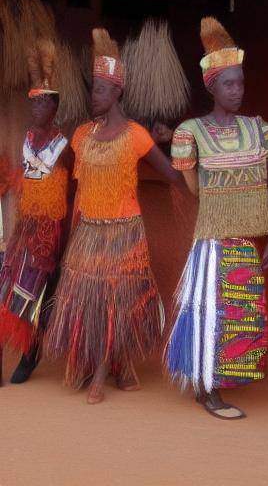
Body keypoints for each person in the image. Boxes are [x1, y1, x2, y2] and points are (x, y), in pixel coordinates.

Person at [45, 28, 181, 404]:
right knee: (84, 299)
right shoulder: (81, 136)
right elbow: (72, 180)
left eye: (100, 90)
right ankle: (117, 368)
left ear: (117, 93)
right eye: (93, 89)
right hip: (88, 230)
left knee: (113, 302)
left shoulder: (136, 135)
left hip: (124, 233)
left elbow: (171, 174)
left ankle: (102, 375)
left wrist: (182, 143)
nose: (93, 96)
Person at [165, 17, 268, 420]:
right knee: (209, 311)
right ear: (212, 87)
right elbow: (194, 188)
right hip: (214, 243)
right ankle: (207, 386)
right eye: (228, 84)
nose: (237, 90)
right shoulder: (190, 133)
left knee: (242, 314)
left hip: (248, 243)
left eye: (240, 82)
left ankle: (220, 381)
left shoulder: (262, 130)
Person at [0, 40, 70, 385]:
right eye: (34, 101)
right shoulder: (27, 138)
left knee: (35, 292)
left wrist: (64, 241)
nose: (37, 107)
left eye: (43, 102)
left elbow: (70, 193)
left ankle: (31, 352)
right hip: (24, 228)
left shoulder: (63, 145)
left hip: (49, 232)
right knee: (6, 284)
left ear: (55, 106)